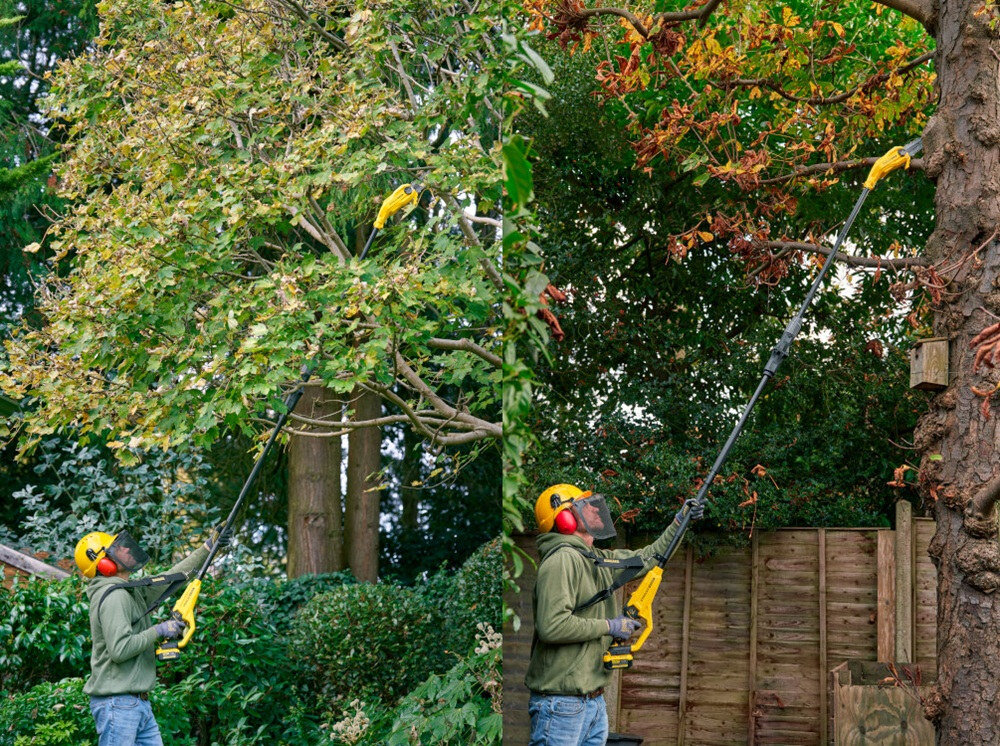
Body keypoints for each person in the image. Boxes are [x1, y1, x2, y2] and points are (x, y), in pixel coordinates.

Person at [525, 484, 704, 746]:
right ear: (564, 518)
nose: (594, 510)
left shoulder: (594, 559)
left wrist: (680, 521)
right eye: (584, 506)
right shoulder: (562, 560)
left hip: (592, 703)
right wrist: (610, 626)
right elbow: (551, 626)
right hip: (561, 704)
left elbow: (649, 557)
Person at [75, 527, 229, 746]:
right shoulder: (115, 597)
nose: (126, 550)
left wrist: (209, 546)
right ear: (104, 565)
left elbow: (173, 577)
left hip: (135, 703)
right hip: (118, 704)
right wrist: (159, 630)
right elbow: (119, 650)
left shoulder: (130, 591)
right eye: (116, 549)